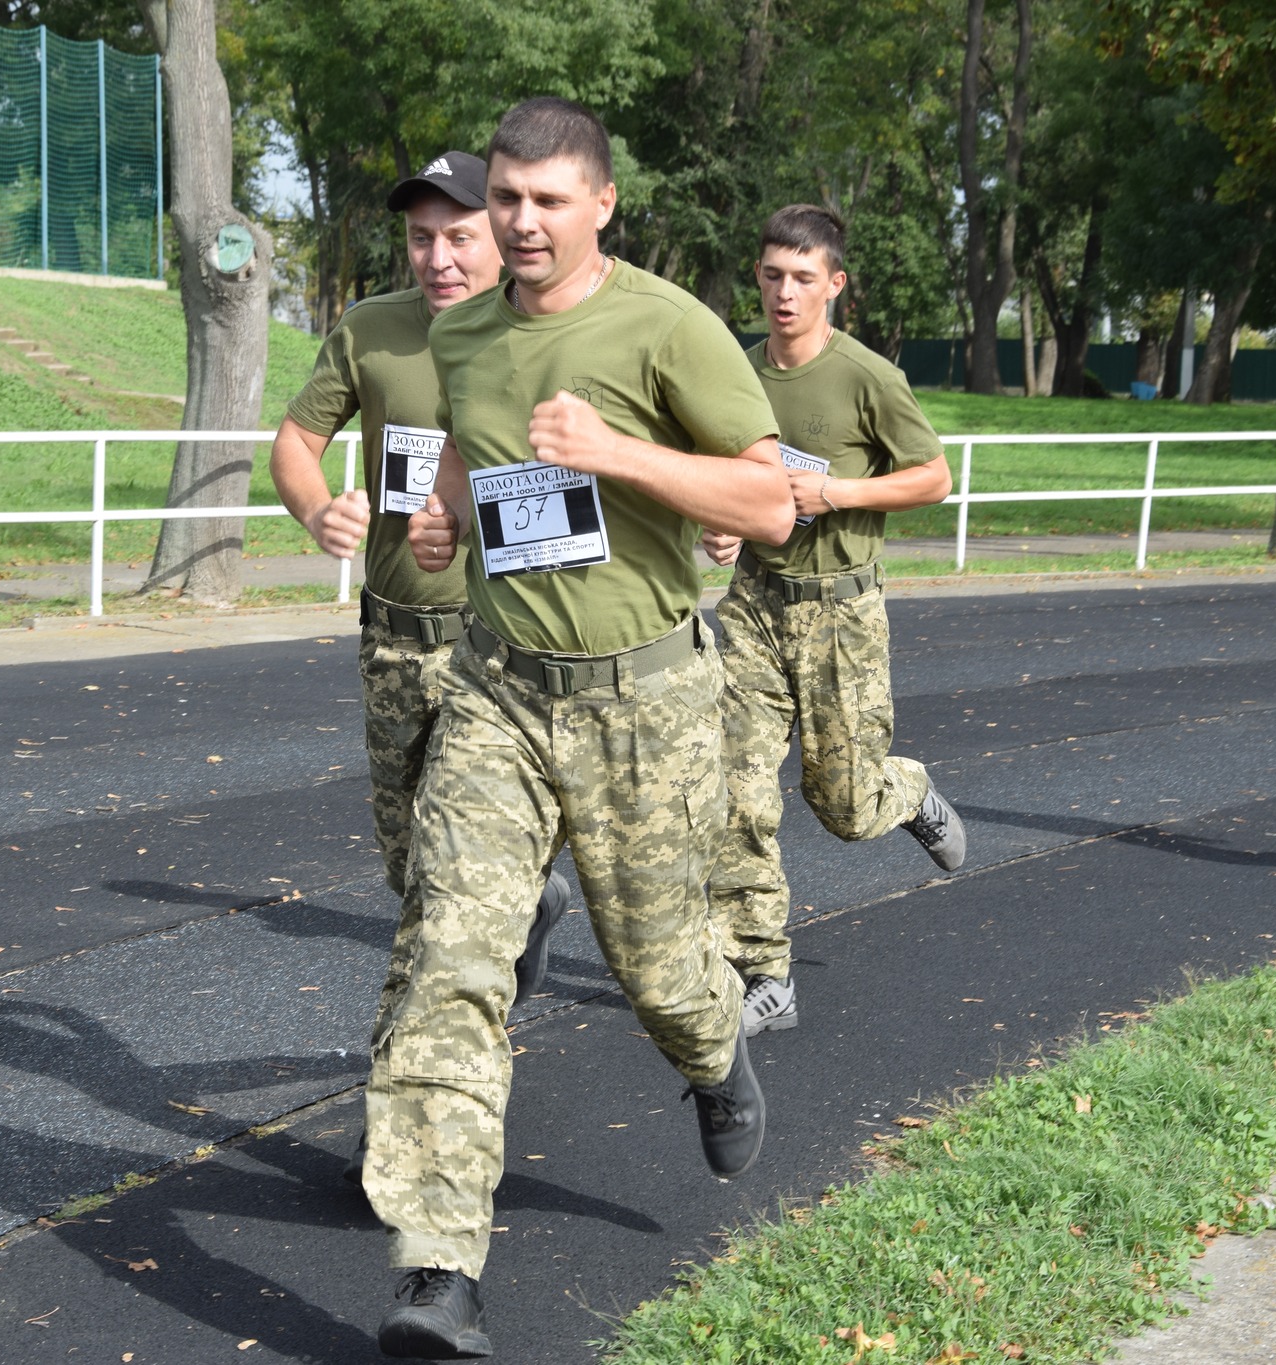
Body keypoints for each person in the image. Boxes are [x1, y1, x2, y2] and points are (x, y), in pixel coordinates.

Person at [366, 97, 795, 1360]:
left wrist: (616, 452)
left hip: (647, 701)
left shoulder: (669, 327)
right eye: (506, 199)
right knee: (451, 950)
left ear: (601, 203)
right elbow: (465, 456)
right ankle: (438, 1266)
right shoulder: (467, 333)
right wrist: (441, 517)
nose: (521, 223)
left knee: (660, 970)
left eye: (548, 201)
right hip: (497, 691)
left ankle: (715, 1059)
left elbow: (771, 500)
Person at [268, 151, 570, 1182]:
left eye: (457, 235)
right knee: (414, 880)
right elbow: (295, 442)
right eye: (419, 238)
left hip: (502, 644)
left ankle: (402, 1126)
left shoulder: (547, 332)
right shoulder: (370, 330)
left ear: (498, 230)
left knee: (441, 905)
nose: (438, 256)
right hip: (395, 636)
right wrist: (321, 509)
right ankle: (525, 909)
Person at [700, 205, 967, 1039]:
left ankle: (911, 790)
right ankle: (762, 974)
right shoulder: (737, 373)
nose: (785, 293)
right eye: (773, 275)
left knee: (845, 805)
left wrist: (839, 492)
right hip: (752, 602)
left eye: (803, 279)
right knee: (733, 792)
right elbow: (724, 480)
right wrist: (718, 524)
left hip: (840, 612)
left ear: (834, 286)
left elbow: (934, 478)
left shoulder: (866, 376)